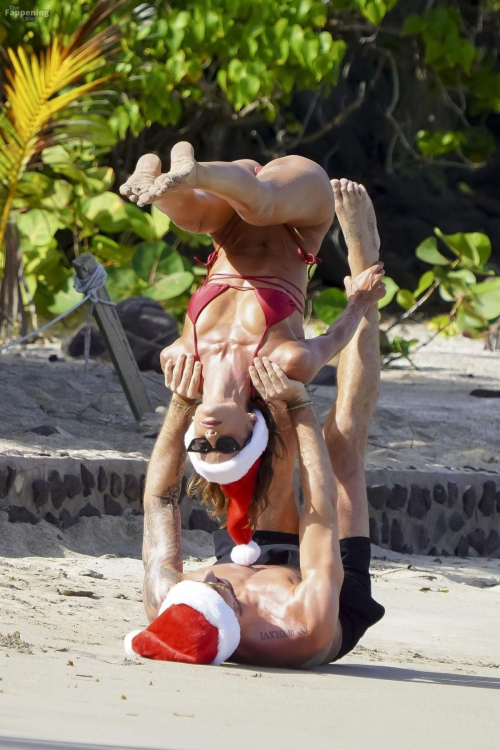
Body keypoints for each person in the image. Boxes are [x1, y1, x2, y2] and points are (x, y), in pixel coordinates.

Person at [124, 185, 385, 668]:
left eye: (197, 593)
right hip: (322, 585)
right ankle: (364, 283)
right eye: (213, 594)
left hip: (250, 547)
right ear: (223, 618)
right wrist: (301, 407)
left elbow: (159, 499)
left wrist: (183, 401)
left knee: (269, 451)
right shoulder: (297, 625)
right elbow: (321, 514)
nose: (208, 583)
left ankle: (255, 247)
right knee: (343, 448)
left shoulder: (171, 597)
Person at [120, 145, 385, 536]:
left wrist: (180, 403)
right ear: (250, 424)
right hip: (298, 215)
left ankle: (157, 179)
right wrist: (358, 304)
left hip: (228, 218)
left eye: (201, 447)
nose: (209, 436)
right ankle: (366, 250)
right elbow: (335, 339)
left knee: (191, 217)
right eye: (226, 443)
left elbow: (161, 492)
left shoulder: (178, 359)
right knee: (260, 207)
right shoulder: (284, 363)